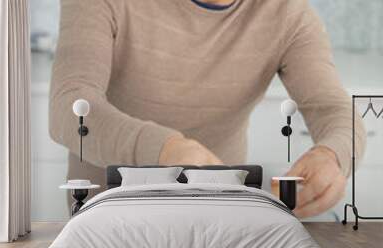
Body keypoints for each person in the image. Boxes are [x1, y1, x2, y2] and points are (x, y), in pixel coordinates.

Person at [49, 0, 366, 218]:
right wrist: (165, 151)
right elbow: (69, 107)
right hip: (105, 216)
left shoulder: (289, 15)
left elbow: (334, 110)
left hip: (217, 217)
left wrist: (332, 155)